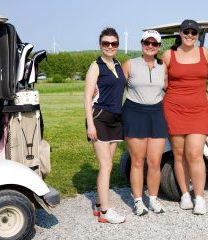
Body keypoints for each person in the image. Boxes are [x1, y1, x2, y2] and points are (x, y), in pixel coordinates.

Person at [161, 20, 208, 215]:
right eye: (186, 31)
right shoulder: (168, 55)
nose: (190, 35)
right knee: (179, 154)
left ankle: (199, 197)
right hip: (174, 109)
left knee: (195, 154)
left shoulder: (205, 53)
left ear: (198, 34)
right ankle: (184, 194)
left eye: (193, 32)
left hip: (199, 110)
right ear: (180, 33)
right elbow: (162, 83)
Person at [121, 30, 168, 216]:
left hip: (156, 113)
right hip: (134, 112)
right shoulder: (130, 64)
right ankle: (138, 201)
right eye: (147, 43)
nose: (150, 46)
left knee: (155, 161)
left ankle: (153, 200)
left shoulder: (163, 66)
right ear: (142, 44)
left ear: (158, 47)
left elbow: (170, 87)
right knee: (138, 160)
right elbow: (115, 87)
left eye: (154, 44)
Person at [84, 27, 126, 223]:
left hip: (116, 119)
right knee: (106, 165)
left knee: (107, 165)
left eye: (113, 43)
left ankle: (100, 204)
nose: (110, 46)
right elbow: (86, 98)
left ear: (117, 45)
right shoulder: (96, 66)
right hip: (99, 117)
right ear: (100, 45)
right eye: (106, 43)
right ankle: (106, 213)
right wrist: (90, 125)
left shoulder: (118, 64)